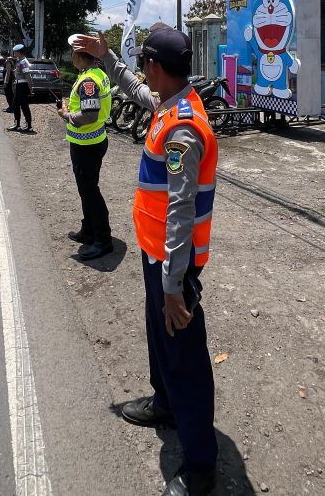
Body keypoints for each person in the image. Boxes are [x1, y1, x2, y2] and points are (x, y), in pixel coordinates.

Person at [76, 28, 219, 496]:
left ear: (158, 67)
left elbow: (180, 213)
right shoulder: (169, 102)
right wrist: (108, 57)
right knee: (160, 337)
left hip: (173, 262)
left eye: (144, 65)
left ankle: (200, 467)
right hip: (156, 255)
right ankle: (165, 403)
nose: (142, 73)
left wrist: (175, 286)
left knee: (185, 358)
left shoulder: (182, 129)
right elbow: (136, 91)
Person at [58, 44, 114, 260]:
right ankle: (89, 230)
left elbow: (89, 115)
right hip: (91, 141)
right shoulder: (94, 73)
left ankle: (103, 240)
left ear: (80, 56)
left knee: (90, 192)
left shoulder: (89, 80)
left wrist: (66, 115)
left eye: (73, 52)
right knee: (86, 190)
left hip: (87, 145)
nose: (71, 55)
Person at [8, 44, 33, 133]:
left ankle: (29, 126)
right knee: (15, 105)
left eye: (15, 52)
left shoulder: (23, 62)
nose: (14, 53)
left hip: (23, 86)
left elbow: (28, 76)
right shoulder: (19, 61)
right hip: (19, 85)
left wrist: (30, 87)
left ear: (19, 52)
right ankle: (17, 124)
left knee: (24, 106)